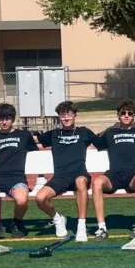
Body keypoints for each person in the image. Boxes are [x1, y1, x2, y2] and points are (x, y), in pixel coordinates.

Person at [91, 101, 135, 241]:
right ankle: (102, 228)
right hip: (114, 175)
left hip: (133, 176)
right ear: (118, 115)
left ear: (134, 116)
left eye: (130, 113)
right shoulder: (110, 132)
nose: (126, 116)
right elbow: (94, 142)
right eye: (123, 113)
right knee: (97, 182)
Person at [33, 101, 97, 241]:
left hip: (79, 174)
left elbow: (103, 141)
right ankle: (58, 219)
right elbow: (32, 139)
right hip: (60, 177)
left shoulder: (84, 132)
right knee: (40, 198)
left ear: (75, 115)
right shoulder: (54, 134)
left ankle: (81, 227)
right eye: (62, 115)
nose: (66, 118)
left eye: (69, 114)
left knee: (80, 182)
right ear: (59, 117)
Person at [0, 103, 39, 238]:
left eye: (7, 118)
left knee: (22, 200)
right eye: (0, 119)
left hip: (16, 179)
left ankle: (17, 223)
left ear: (13, 119)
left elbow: (36, 154)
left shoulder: (24, 135)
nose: (4, 122)